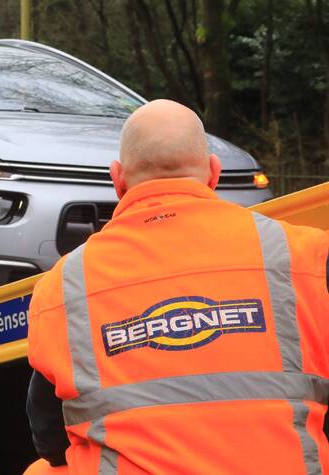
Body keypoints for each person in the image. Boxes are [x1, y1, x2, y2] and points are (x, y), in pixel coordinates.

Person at [25, 99, 329, 473]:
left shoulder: (63, 285)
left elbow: (50, 437)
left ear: (117, 180)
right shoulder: (304, 255)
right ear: (214, 174)